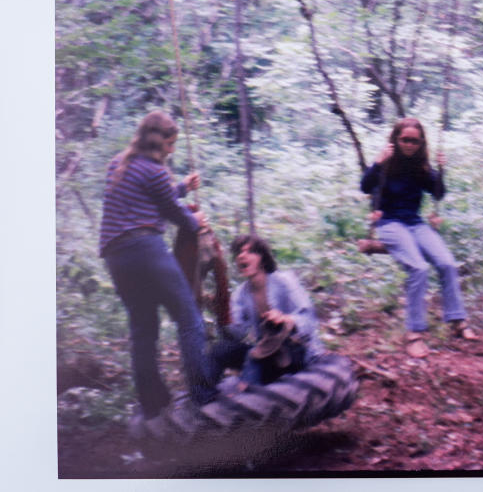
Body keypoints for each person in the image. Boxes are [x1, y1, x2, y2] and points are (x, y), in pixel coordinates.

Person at [98, 110, 218, 426]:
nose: (172, 150)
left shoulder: (118, 165)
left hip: (116, 257)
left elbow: (149, 199)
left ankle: (152, 404)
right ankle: (204, 396)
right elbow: (173, 213)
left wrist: (181, 187)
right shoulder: (154, 171)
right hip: (145, 249)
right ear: (158, 142)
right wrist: (196, 221)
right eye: (170, 143)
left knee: (143, 329)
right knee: (189, 317)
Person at [360, 118, 477, 358]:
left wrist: (441, 170)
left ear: (421, 142)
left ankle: (458, 322)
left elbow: (438, 193)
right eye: (405, 139)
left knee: (447, 263)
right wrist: (377, 162)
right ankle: (414, 334)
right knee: (418, 268)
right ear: (395, 139)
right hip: (390, 223)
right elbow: (365, 186)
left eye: (414, 140)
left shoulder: (420, 166)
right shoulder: (385, 162)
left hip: (415, 223)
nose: (410, 144)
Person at [211, 234, 320, 390]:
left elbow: (309, 319)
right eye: (238, 253)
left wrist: (286, 319)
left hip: (296, 351)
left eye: (249, 252)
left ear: (262, 257)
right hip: (265, 353)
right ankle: (205, 397)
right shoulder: (240, 294)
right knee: (220, 350)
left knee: (257, 356)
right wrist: (222, 315)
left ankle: (250, 389)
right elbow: (237, 334)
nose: (242, 256)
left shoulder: (284, 281)